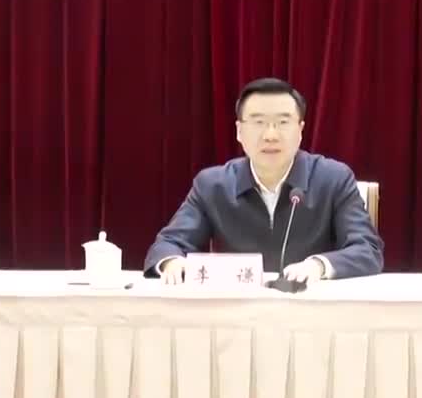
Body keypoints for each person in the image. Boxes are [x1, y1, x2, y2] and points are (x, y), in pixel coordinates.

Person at [144, 78, 384, 285]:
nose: (271, 135)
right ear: (239, 131)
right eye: (258, 123)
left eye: (283, 122)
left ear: (300, 130)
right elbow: (168, 244)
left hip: (312, 312)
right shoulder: (213, 185)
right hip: (235, 313)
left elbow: (367, 250)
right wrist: (172, 263)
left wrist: (318, 266)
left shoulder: (333, 179)